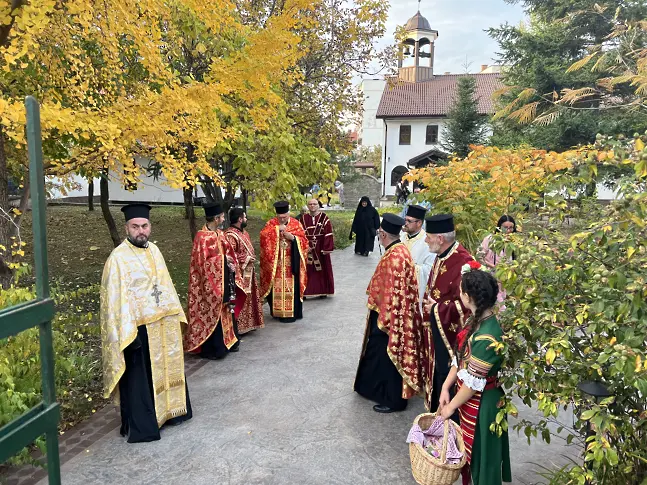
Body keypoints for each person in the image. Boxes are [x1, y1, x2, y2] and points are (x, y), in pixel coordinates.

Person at [100, 203, 192, 443]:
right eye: (135, 226)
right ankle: (146, 425)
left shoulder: (155, 251)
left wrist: (174, 314)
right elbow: (114, 301)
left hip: (163, 325)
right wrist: (127, 333)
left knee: (166, 371)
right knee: (141, 379)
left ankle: (171, 413)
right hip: (137, 329)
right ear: (126, 228)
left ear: (150, 227)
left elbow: (166, 285)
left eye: (144, 226)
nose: (140, 231)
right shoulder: (117, 259)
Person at [439, 263, 512, 485]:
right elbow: (460, 358)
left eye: (461, 291)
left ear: (468, 297)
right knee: (473, 456)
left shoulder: (488, 336)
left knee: (483, 459)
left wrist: (450, 407)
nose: (459, 295)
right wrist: (445, 387)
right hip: (471, 401)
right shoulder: (476, 321)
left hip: (484, 405)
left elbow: (473, 383)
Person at [354, 213, 424, 413]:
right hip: (395, 313)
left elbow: (391, 293)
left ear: (383, 234)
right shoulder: (399, 250)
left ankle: (393, 399)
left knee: (387, 353)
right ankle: (375, 390)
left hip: (390, 317)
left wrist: (385, 317)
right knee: (379, 353)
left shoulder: (394, 257)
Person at [422, 213, 474, 413]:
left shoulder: (463, 263)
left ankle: (448, 422)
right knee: (437, 374)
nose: (426, 240)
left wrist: (436, 308)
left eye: (429, 236)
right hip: (436, 331)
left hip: (450, 338)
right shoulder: (442, 254)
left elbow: (469, 306)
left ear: (440, 239)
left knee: (446, 374)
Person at [184, 203, 239, 360]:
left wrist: (229, 261)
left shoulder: (220, 233)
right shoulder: (202, 238)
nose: (223, 219)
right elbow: (201, 264)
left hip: (224, 282)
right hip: (208, 285)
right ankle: (214, 349)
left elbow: (229, 252)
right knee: (214, 312)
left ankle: (228, 343)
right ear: (215, 218)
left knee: (226, 311)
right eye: (221, 216)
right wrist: (221, 260)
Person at [259, 201, 308, 323]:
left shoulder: (296, 224)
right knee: (276, 288)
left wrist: (293, 238)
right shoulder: (271, 224)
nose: (282, 219)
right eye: (280, 217)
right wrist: (276, 230)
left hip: (292, 264)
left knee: (292, 287)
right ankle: (278, 312)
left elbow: (305, 242)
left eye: (284, 217)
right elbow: (263, 236)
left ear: (288, 214)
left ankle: (293, 313)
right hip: (276, 265)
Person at [225, 207, 265, 334]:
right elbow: (229, 256)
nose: (246, 219)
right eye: (245, 217)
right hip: (239, 275)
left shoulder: (244, 233)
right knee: (242, 298)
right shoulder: (230, 235)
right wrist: (246, 258)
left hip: (249, 272)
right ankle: (239, 326)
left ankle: (249, 324)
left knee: (250, 298)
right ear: (239, 219)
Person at [401, 204, 436, 309]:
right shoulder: (401, 238)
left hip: (415, 291)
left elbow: (429, 270)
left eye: (409, 221)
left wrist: (409, 267)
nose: (405, 223)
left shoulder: (427, 241)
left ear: (419, 223)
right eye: (405, 220)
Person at [300, 198, 335, 298]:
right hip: (308, 248)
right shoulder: (303, 218)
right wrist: (305, 246)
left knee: (322, 269)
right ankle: (306, 292)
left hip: (320, 247)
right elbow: (300, 234)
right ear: (308, 206)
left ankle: (323, 291)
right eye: (310, 204)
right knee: (308, 270)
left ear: (318, 205)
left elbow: (328, 233)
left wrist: (326, 248)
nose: (312, 206)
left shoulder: (324, 218)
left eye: (314, 204)